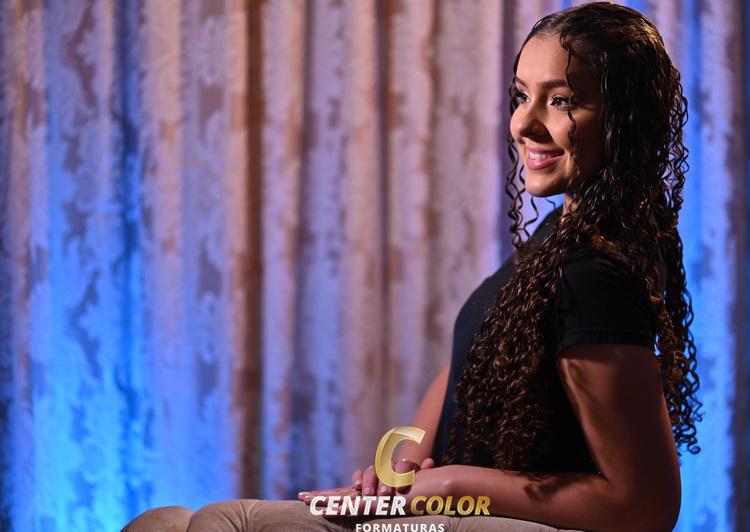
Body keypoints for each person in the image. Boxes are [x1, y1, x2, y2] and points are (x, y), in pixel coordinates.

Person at [123, 3, 701, 531]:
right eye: (522, 95)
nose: (524, 124)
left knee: (210, 523)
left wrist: (448, 486)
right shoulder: (562, 237)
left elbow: (643, 504)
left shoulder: (594, 272)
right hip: (436, 506)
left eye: (561, 100)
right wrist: (398, 471)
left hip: (469, 515)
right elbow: (470, 359)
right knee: (167, 524)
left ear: (626, 120)